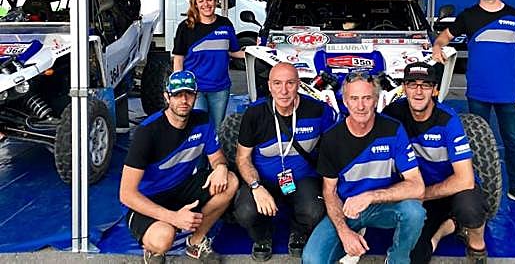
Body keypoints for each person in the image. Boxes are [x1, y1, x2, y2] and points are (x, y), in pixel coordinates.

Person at [432, 0, 515, 211]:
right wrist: (437, 46)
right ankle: (476, 189)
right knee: (476, 144)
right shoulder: (468, 16)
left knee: (513, 141)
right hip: (478, 93)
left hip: (510, 93)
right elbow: (444, 37)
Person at [302, 72, 426, 264]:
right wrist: (344, 232)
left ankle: (398, 259)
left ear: (376, 100)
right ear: (345, 101)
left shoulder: (393, 129)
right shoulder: (332, 138)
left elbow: (417, 187)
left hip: (384, 205)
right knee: (312, 259)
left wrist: (369, 196)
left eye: (367, 98)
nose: (360, 106)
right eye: (354, 98)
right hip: (347, 209)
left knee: (415, 212)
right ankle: (354, 234)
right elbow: (329, 191)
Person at [119, 70, 238, 264]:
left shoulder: (202, 120)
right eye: (177, 94)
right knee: (163, 239)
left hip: (181, 187)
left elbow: (217, 158)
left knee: (230, 181)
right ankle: (153, 248)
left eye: (189, 94)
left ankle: (196, 241)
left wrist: (221, 168)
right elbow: (126, 194)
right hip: (149, 198)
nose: (183, 100)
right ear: (167, 97)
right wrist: (173, 218)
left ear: (195, 96)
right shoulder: (147, 133)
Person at [384, 62, 489, 264]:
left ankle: (477, 246)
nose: (418, 91)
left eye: (425, 85)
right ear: (404, 88)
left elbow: (465, 180)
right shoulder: (393, 113)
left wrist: (420, 193)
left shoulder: (448, 120)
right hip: (419, 195)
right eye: (412, 84)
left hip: (452, 189)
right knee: (415, 256)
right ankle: (448, 228)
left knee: (470, 208)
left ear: (435, 90)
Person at [234, 62, 336, 261]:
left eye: (290, 83)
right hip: (263, 179)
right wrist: (255, 186)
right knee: (245, 211)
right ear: (269, 86)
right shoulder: (255, 114)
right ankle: (262, 236)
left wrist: (330, 187)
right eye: (277, 83)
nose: (283, 90)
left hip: (303, 178)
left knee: (314, 210)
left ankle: (299, 231)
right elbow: (242, 157)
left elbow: (332, 151)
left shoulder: (317, 110)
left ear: (299, 84)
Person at [173, 0, 245, 127]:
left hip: (220, 88)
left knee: (217, 129)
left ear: (216, 0)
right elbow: (178, 58)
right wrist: (180, 88)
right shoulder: (186, 27)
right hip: (195, 89)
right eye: (201, 1)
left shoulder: (225, 24)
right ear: (195, 4)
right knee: (200, 128)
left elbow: (234, 51)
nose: (206, 4)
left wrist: (259, 52)